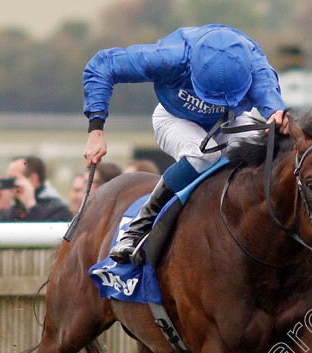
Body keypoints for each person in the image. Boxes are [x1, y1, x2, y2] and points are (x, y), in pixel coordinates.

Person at [83, 24, 289, 264]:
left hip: (228, 120)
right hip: (174, 117)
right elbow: (102, 65)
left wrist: (276, 111)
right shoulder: (170, 57)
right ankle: (139, 227)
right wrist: (96, 129)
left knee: (264, 152)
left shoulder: (252, 60)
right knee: (203, 157)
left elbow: (267, 91)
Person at [0, 156, 73, 222]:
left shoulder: (58, 209)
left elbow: (40, 236)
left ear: (32, 180)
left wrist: (30, 204)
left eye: (12, 179)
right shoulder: (10, 212)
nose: (9, 186)